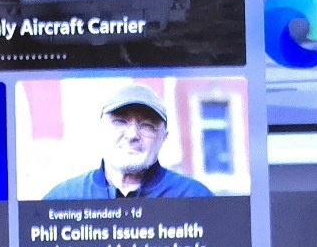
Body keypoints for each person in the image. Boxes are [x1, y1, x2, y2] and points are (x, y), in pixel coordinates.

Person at [45, 83, 213, 200]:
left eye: (147, 125)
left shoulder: (195, 197)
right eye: (120, 122)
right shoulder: (63, 198)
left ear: (163, 138)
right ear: (100, 130)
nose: (132, 135)